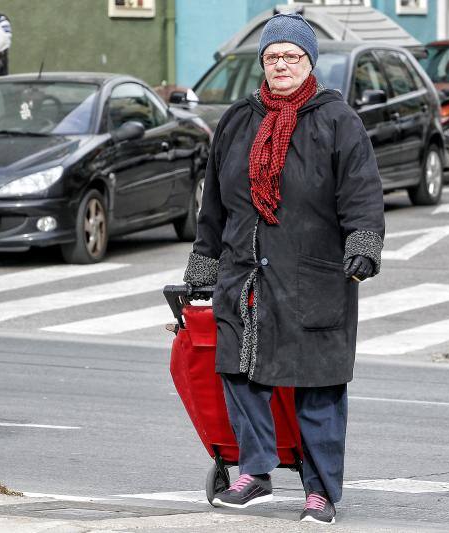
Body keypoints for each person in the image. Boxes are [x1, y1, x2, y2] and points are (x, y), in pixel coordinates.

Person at [182, 12, 385, 525]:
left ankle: (321, 492)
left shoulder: (337, 120)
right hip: (245, 273)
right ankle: (255, 470)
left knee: (317, 385)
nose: (281, 65)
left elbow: (361, 192)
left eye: (292, 56)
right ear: (262, 63)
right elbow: (214, 205)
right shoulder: (237, 120)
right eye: (273, 57)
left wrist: (363, 245)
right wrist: (203, 265)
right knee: (239, 371)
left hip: (313, 276)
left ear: (309, 61)